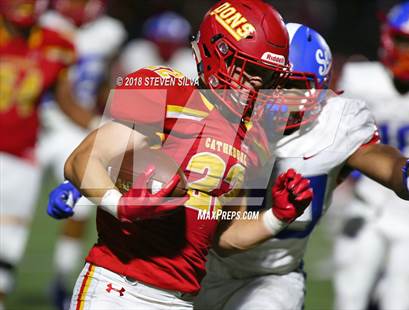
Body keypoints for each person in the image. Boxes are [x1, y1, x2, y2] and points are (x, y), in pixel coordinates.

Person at [47, 1, 314, 308]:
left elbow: (224, 237)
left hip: (182, 300)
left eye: (266, 76)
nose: (257, 84)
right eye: (249, 70)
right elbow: (82, 160)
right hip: (119, 289)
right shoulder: (170, 93)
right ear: (219, 54)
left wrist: (278, 218)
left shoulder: (253, 135)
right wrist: (121, 206)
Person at [193, 22, 409, 310]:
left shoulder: (334, 123)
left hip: (271, 277)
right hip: (198, 266)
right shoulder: (222, 114)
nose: (277, 94)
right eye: (272, 79)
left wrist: (407, 172)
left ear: (318, 92)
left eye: (293, 85)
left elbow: (377, 157)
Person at [0, 0, 98, 308]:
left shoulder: (56, 44)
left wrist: (102, 125)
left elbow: (65, 100)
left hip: (20, 156)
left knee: (7, 249)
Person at [35, 1, 127, 307]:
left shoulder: (107, 32)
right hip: (36, 122)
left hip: (75, 128)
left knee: (81, 205)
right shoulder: (45, 24)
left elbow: (106, 82)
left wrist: (104, 118)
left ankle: (61, 281)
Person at [333, 1, 409, 309]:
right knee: (350, 292)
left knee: (402, 299)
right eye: (404, 44)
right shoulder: (361, 79)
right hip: (368, 200)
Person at [118, 11, 197, 79]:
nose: (167, 47)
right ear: (152, 40)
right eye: (162, 41)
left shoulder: (192, 61)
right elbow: (121, 82)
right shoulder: (136, 52)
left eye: (172, 42)